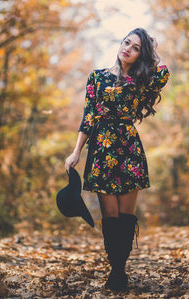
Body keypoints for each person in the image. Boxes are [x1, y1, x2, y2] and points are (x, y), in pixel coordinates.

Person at [65, 27, 170, 292]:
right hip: (102, 149)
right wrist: (76, 151)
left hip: (129, 148)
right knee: (110, 216)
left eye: (136, 48)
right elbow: (88, 115)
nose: (128, 49)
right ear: (120, 43)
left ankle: (119, 270)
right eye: (127, 43)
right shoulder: (97, 77)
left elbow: (164, 71)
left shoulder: (141, 80)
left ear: (140, 55)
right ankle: (116, 268)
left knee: (125, 215)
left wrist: (147, 53)